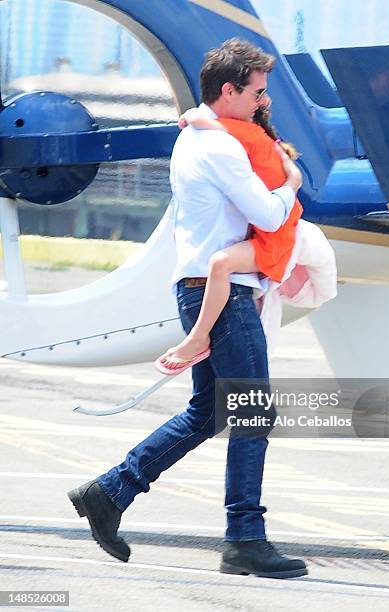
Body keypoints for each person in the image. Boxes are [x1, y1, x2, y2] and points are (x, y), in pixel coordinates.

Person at [67, 38, 307, 579]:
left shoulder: (203, 134)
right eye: (257, 93)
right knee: (251, 411)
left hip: (204, 287)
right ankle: (245, 537)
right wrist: (291, 184)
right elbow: (269, 215)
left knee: (211, 411)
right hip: (221, 292)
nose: (263, 103)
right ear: (229, 91)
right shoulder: (218, 147)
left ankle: (109, 492)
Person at [156, 102, 303, 373]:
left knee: (221, 263)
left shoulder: (250, 137)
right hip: (278, 234)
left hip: (273, 239)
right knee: (215, 412)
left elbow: (216, 126)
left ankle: (198, 338)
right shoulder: (267, 142)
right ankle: (197, 338)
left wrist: (194, 116)